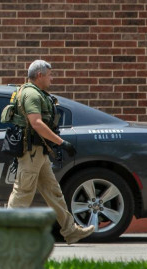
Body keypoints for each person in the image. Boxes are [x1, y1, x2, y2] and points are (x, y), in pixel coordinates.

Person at [5, 60, 95, 244]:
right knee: (22, 192)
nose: (52, 79)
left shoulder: (35, 92)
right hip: (32, 152)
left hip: (39, 152)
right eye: (49, 75)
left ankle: (70, 230)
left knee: (53, 192)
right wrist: (61, 143)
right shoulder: (31, 94)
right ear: (39, 75)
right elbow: (36, 122)